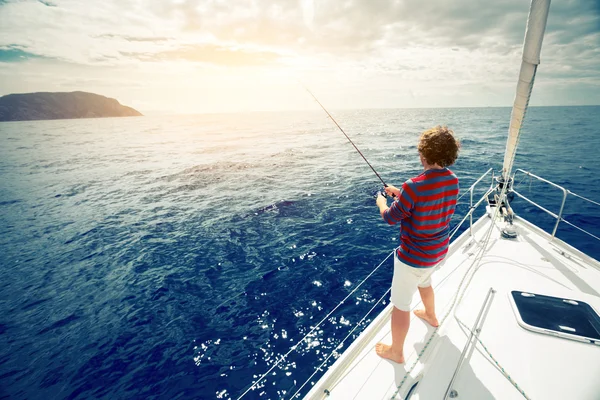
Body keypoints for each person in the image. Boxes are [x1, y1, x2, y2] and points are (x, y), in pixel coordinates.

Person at [374, 125, 460, 364]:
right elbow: (429, 198)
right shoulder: (453, 180)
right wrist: (400, 193)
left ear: (423, 154)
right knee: (425, 281)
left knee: (401, 305)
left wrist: (382, 201)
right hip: (438, 251)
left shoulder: (413, 185)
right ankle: (431, 315)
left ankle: (396, 351)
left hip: (413, 258)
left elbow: (391, 217)